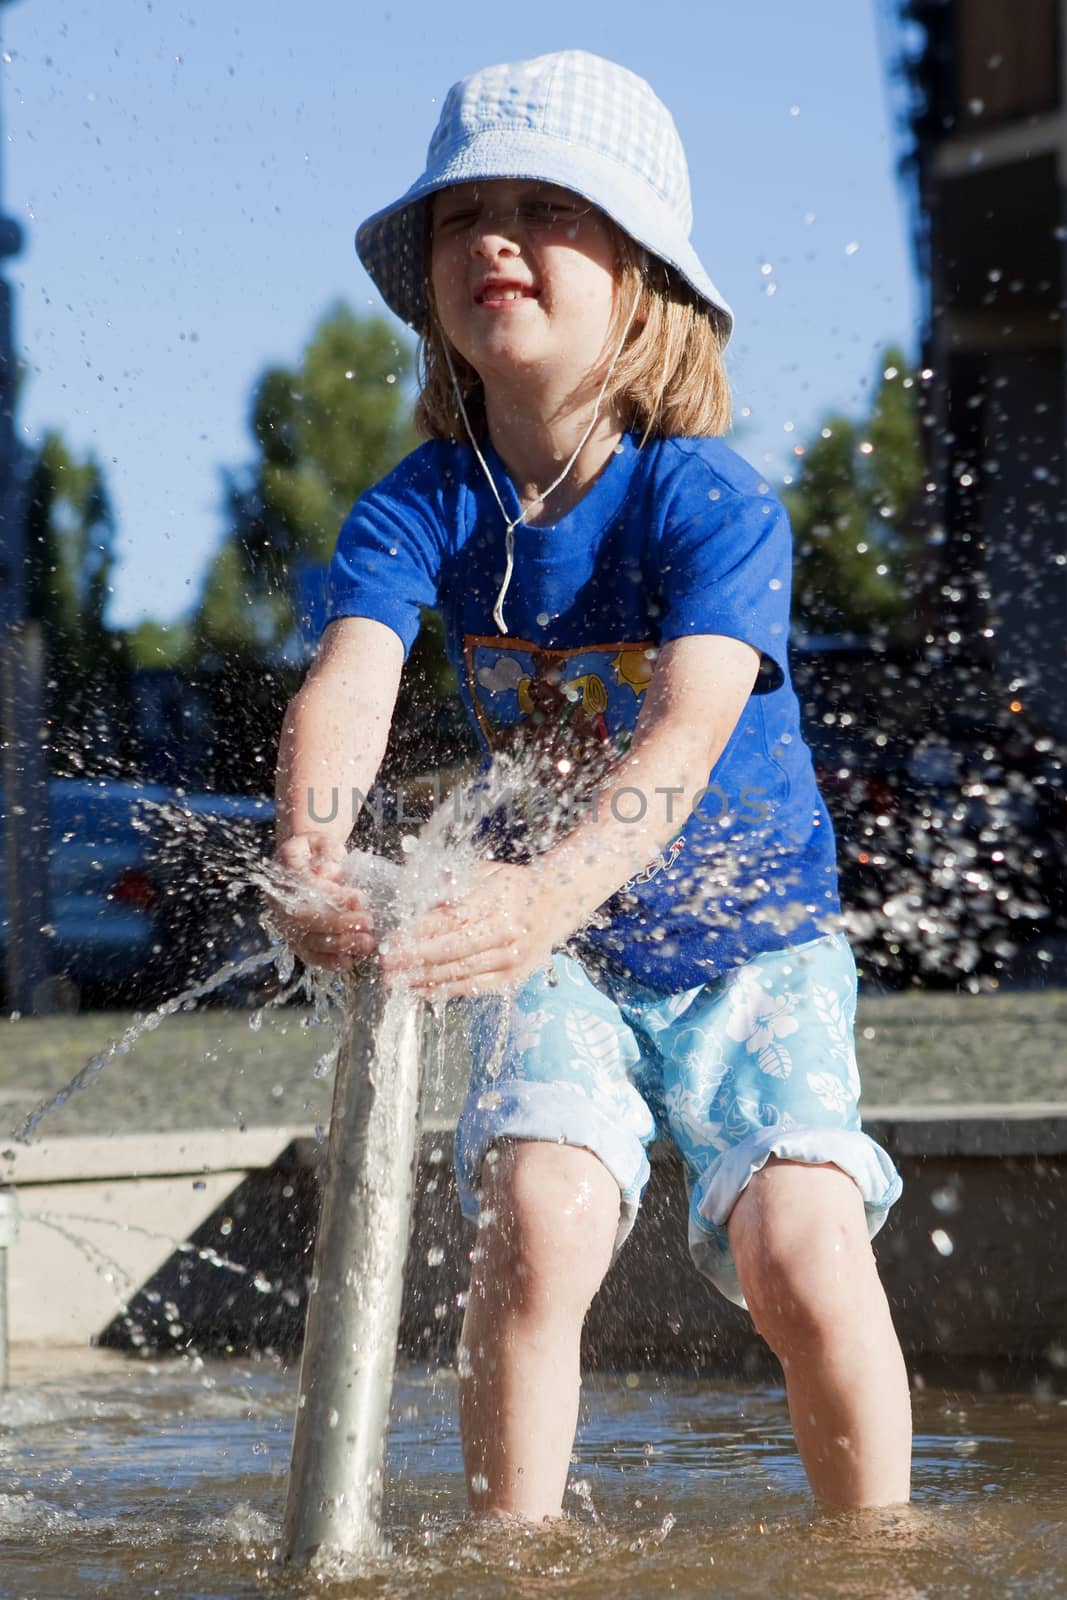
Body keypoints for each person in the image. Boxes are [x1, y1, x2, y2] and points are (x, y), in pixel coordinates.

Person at [274, 49, 911, 1522]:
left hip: (752, 948)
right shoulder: (421, 504)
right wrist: (311, 855)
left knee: (803, 1247)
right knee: (539, 1220)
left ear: (641, 275)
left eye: (545, 208)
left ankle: (880, 1546)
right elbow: (355, 680)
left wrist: (538, 894)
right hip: (561, 951)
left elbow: (683, 742)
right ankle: (518, 1545)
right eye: (462, 214)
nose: (494, 236)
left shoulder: (711, 502)